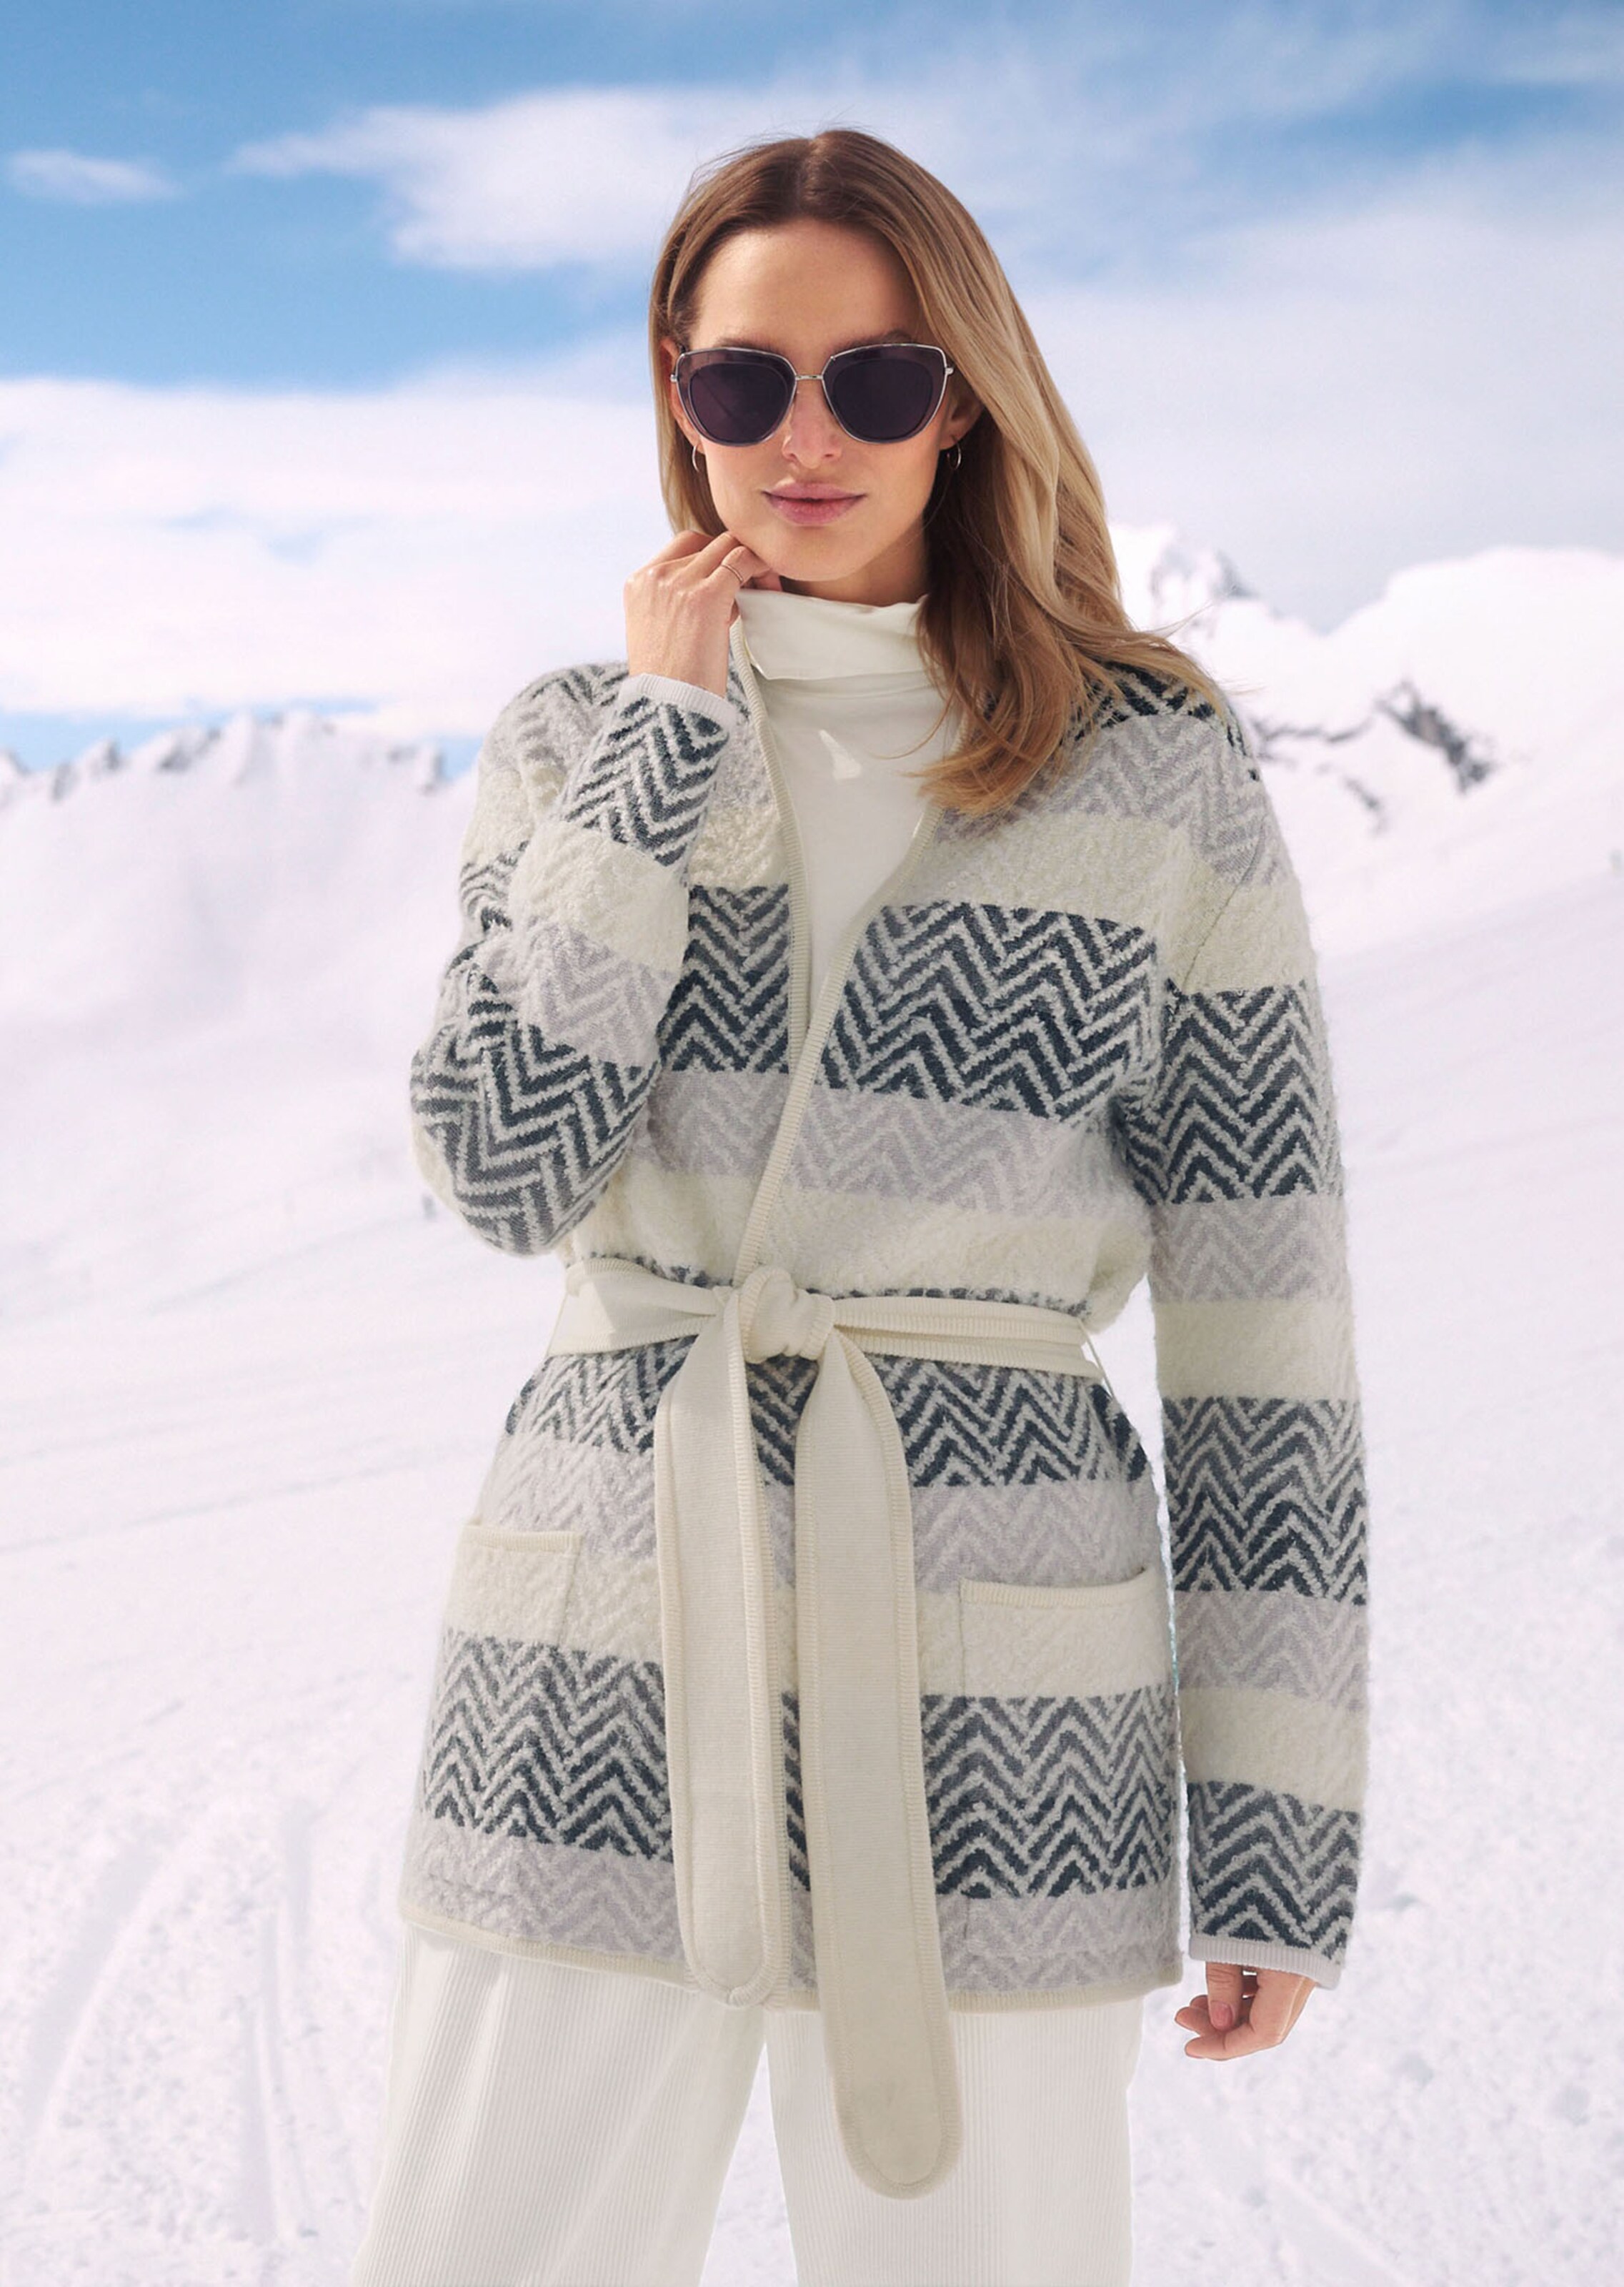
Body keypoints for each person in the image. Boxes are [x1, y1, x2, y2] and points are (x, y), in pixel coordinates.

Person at [351, 124, 1369, 2287]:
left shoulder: (1150, 771)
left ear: (964, 397)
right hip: (602, 1633)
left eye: (875, 379)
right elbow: (503, 1167)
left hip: (1006, 1682)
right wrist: (661, 742)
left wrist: (1277, 1829)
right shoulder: (573, 743)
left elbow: (1264, 1330)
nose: (804, 439)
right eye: (744, 383)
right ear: (677, 393)